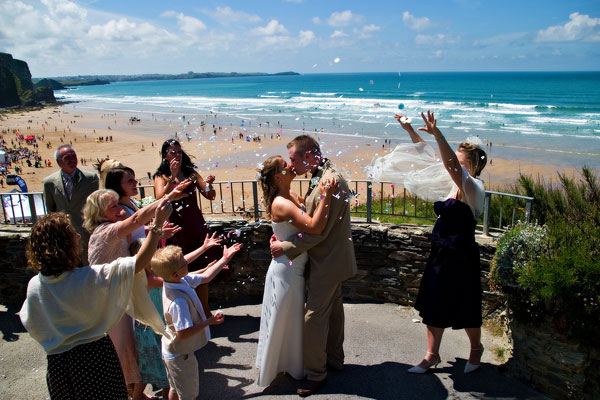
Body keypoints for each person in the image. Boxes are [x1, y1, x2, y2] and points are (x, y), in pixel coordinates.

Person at [19, 200, 172, 399]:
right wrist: (157, 226)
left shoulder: (35, 285)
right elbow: (138, 264)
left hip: (57, 366)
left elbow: (31, 322)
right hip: (95, 359)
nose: (77, 236)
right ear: (64, 245)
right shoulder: (87, 278)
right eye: (71, 233)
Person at [394, 111, 487, 374]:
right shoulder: (451, 183)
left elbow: (450, 166)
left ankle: (476, 349)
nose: (451, 165)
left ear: (470, 166)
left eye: (459, 162)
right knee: (434, 304)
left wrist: (439, 134)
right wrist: (410, 129)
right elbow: (425, 156)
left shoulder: (474, 188)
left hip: (462, 255)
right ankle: (431, 355)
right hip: (441, 254)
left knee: (465, 304)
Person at [83, 183, 190, 397]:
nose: (119, 209)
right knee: (122, 354)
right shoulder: (106, 231)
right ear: (99, 213)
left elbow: (137, 240)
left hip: (119, 299)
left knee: (128, 353)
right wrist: (167, 197)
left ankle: (135, 394)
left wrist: (157, 231)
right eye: (112, 207)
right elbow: (136, 220)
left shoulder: (111, 230)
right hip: (111, 304)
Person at [270, 135, 357, 397]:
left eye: (293, 158)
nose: (291, 164)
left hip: (328, 261)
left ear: (308, 156)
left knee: (313, 317)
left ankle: (317, 374)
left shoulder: (329, 181)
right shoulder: (321, 175)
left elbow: (318, 231)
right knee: (333, 311)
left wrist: (285, 247)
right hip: (330, 258)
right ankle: (334, 359)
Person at [256, 156, 338, 387]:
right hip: (287, 270)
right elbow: (314, 226)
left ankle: (292, 364)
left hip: (294, 263)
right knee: (288, 319)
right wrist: (327, 195)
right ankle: (288, 366)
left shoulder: (290, 196)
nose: (291, 165)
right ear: (277, 176)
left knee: (290, 319)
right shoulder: (281, 202)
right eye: (285, 165)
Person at [104, 166, 181, 400]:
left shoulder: (129, 205)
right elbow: (132, 234)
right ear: (118, 185)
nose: (135, 182)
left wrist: (152, 230)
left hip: (140, 274)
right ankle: (136, 390)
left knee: (141, 338)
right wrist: (167, 201)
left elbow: (137, 230)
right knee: (135, 340)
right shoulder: (123, 211)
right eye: (130, 180)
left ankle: (138, 391)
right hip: (135, 279)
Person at [152, 242, 243, 400]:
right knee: (189, 395)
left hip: (171, 351)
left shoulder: (178, 281)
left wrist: (225, 258)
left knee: (176, 388)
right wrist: (209, 321)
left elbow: (206, 277)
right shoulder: (178, 301)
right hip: (180, 356)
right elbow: (183, 333)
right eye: (184, 263)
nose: (187, 262)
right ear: (175, 273)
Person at [153, 139, 222, 315]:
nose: (177, 155)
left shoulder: (191, 173)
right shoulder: (160, 176)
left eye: (179, 152)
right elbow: (160, 197)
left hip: (195, 223)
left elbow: (210, 195)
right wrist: (171, 177)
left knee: (203, 265)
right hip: (175, 226)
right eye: (172, 152)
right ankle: (186, 312)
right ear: (165, 155)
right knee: (179, 268)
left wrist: (210, 184)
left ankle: (204, 311)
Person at [43, 144, 99, 266]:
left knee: (89, 265)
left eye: (74, 156)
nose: (72, 160)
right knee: (68, 266)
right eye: (67, 158)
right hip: (64, 233)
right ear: (59, 161)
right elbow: (50, 209)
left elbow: (96, 206)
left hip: (86, 230)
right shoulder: (50, 182)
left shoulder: (91, 178)